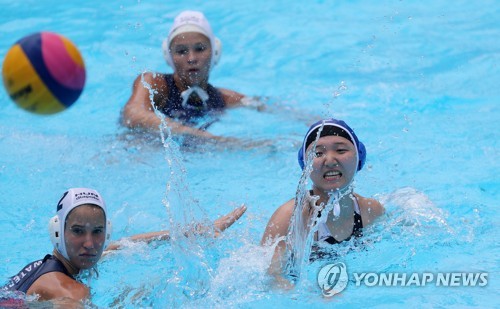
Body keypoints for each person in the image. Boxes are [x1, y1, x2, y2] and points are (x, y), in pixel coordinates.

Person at [1, 187, 246, 305]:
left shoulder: (54, 265)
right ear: (57, 231)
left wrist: (191, 232)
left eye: (97, 232)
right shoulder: (71, 292)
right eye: (78, 231)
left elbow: (121, 247)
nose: (90, 244)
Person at [261, 118, 384, 287]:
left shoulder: (370, 210)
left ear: (359, 156)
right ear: (305, 164)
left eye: (341, 150)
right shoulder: (291, 216)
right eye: (318, 153)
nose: (330, 160)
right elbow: (271, 277)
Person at [122, 10, 261, 143]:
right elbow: (132, 114)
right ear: (169, 57)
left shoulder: (222, 98)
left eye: (200, 49)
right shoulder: (155, 84)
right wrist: (206, 138)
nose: (191, 58)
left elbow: (265, 105)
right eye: (181, 51)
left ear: (215, 53)